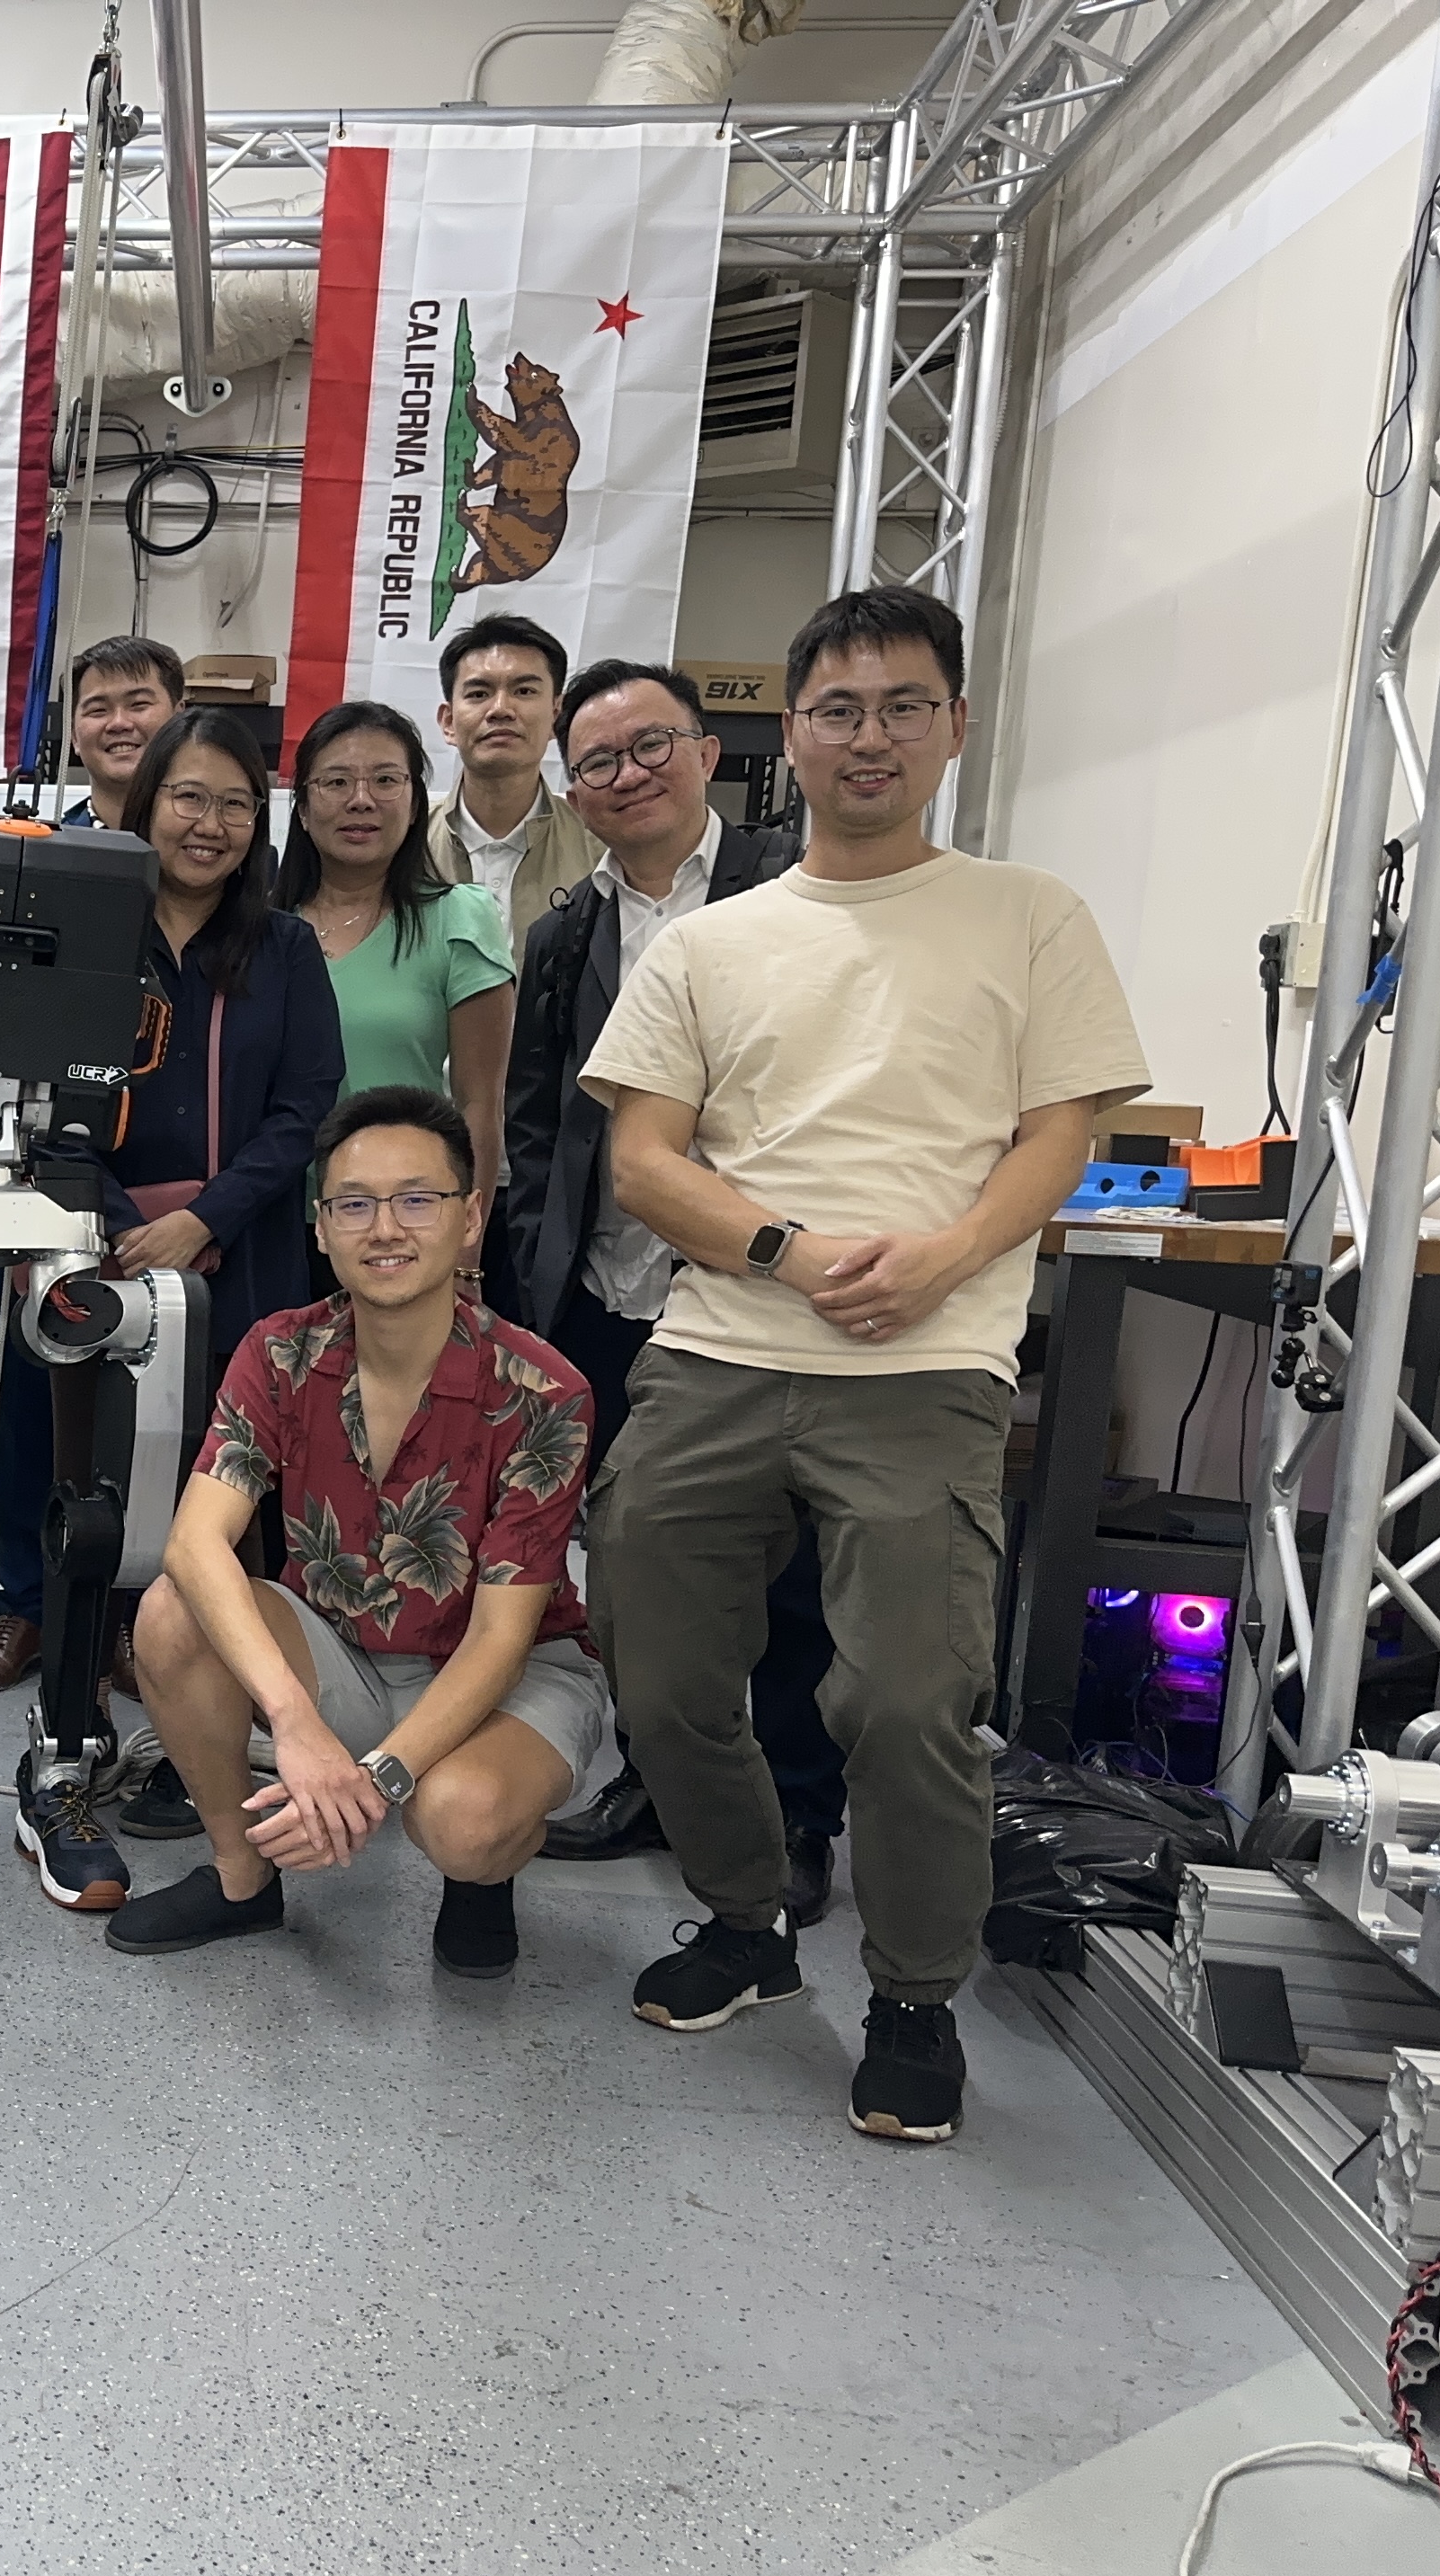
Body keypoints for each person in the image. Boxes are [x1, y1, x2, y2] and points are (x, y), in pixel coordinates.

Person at [582, 585, 1148, 2145]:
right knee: (653, 1660)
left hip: (926, 1363)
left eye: (905, 705)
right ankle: (747, 1916)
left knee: (905, 1698)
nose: (870, 735)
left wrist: (946, 1256)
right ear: (793, 734)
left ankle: (911, 1997)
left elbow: (1057, 1137)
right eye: (838, 709)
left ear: (955, 725)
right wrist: (785, 1250)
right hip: (720, 1346)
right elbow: (644, 1158)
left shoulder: (1028, 915)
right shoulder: (711, 944)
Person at [0, 714, 348, 1893]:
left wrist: (206, 1220)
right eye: (188, 797)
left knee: (231, 1504)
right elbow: (33, 1095)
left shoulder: (284, 947)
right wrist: (120, 1219)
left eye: (235, 803)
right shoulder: (82, 935)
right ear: (144, 803)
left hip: (246, 1257)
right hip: (97, 1253)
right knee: (91, 1488)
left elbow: (306, 1106)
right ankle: (74, 1714)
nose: (209, 823)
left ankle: (204, 1741)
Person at [111, 1083, 615, 1976]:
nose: (385, 1229)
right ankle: (241, 1879)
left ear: (470, 1217)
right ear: (320, 1228)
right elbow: (195, 1543)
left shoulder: (544, 1391)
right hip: (341, 1650)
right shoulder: (279, 1350)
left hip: (506, 1672)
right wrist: (294, 1724)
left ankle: (484, 1872)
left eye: (417, 1199)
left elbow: (501, 1639)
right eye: (354, 1205)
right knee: (169, 1612)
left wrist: (376, 1781)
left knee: (462, 1823)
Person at [499, 659, 842, 1901]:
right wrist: (536, 1272)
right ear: (574, 791)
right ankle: (657, 1784)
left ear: (707, 753)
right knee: (633, 1570)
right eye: (597, 761)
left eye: (652, 745)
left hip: (758, 1291)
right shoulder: (565, 935)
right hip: (603, 1296)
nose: (628, 774)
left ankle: (796, 1813)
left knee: (787, 1573)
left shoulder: (799, 890)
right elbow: (536, 1120)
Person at [278, 699, 512, 1216]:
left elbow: (480, 1104)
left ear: (414, 802)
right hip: (268, 1217)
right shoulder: (262, 930)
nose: (361, 801)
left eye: (385, 780)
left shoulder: (459, 918)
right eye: (336, 782)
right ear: (302, 808)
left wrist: (465, 1240)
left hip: (404, 1219)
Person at [426, 614, 604, 946]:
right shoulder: (403, 844)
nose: (500, 709)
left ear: (556, 717)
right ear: (448, 722)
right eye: (479, 693)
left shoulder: (601, 847)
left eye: (524, 691)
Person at [60, 635, 184, 828]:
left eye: (138, 704)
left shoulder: (215, 839)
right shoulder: (50, 846)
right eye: (98, 710)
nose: (119, 723)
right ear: (74, 736)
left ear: (179, 719)